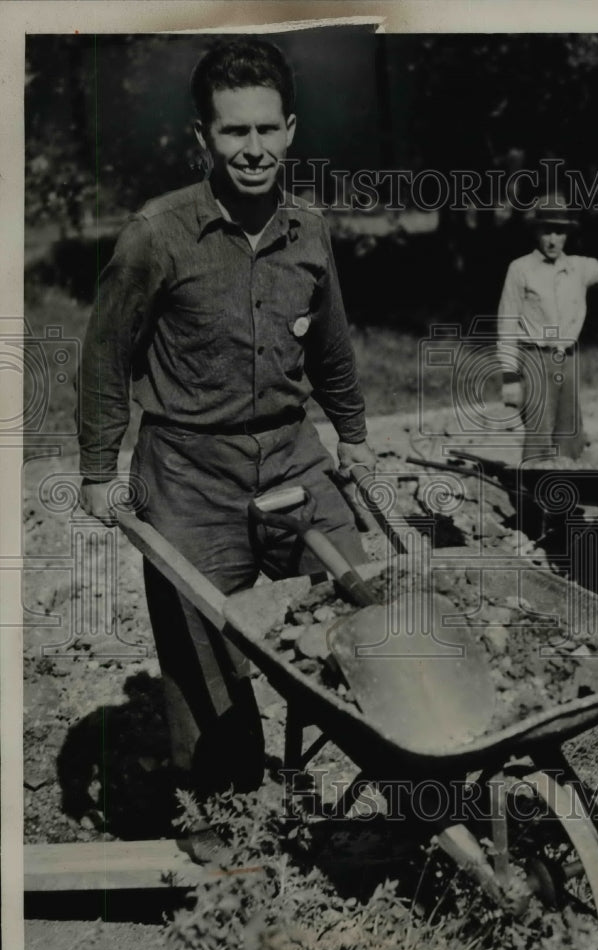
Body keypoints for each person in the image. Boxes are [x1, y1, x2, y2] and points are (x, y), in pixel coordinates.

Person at [77, 38, 375, 858]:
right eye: (233, 133)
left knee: (364, 611)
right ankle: (221, 815)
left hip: (291, 456)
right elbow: (104, 355)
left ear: (290, 130)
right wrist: (99, 470)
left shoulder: (309, 230)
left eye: (266, 131)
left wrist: (351, 436)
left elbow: (333, 352)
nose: (253, 150)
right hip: (188, 471)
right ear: (201, 138)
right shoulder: (156, 234)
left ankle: (396, 781)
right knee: (202, 653)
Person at [496, 194, 598, 462]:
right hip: (536, 358)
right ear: (536, 232)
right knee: (539, 431)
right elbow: (507, 322)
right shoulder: (521, 269)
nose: (553, 239)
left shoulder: (579, 267)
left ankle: (566, 495)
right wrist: (510, 376)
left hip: (568, 358)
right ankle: (535, 497)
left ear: (567, 234)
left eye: (559, 232)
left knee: (569, 432)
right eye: (547, 231)